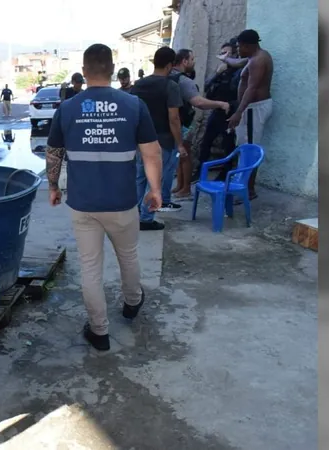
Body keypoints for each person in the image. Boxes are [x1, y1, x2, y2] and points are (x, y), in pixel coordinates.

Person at [45, 43, 163, 351]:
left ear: (84, 73)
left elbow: (54, 152)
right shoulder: (133, 105)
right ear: (112, 69)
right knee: (129, 256)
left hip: (84, 205)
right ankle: (132, 303)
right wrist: (155, 190)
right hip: (122, 203)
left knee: (90, 268)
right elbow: (152, 153)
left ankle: (99, 332)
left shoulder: (68, 108)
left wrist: (53, 186)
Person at [129, 46, 184, 230]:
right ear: (169, 65)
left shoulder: (138, 85)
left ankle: (134, 215)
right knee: (155, 179)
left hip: (140, 139)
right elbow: (174, 118)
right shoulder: (171, 86)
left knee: (139, 178)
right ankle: (146, 217)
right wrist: (180, 143)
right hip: (163, 139)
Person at [169, 49, 231, 201]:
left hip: (173, 122)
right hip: (182, 122)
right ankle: (184, 189)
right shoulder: (184, 81)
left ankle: (182, 186)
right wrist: (221, 104)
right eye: (192, 59)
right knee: (184, 154)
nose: (193, 61)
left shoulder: (169, 76)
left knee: (180, 153)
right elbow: (198, 102)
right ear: (184, 61)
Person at [226, 29, 274, 201]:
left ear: (248, 45)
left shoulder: (259, 60)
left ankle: (248, 191)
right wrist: (225, 59)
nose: (238, 50)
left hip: (255, 108)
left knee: (250, 151)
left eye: (239, 47)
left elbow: (251, 88)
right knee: (244, 148)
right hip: (250, 108)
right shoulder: (253, 57)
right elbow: (238, 63)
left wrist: (239, 112)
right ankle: (243, 186)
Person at [195, 41, 242, 183]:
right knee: (206, 142)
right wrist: (217, 74)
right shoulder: (221, 71)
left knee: (228, 145)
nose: (223, 56)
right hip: (217, 112)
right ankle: (200, 171)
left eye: (227, 53)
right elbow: (208, 88)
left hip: (230, 113)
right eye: (222, 53)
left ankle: (226, 173)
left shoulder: (239, 72)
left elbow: (239, 95)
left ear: (234, 54)